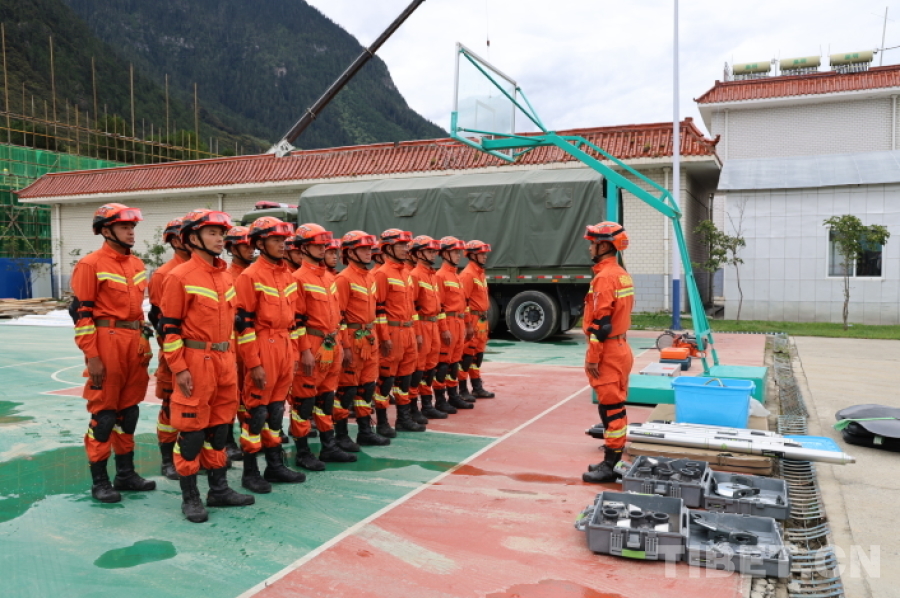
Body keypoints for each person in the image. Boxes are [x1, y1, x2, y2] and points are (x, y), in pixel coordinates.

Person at [159, 209, 255, 522]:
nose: (220, 239)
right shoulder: (179, 277)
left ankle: (219, 490)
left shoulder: (226, 276)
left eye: (221, 233)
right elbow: (169, 329)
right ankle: (190, 497)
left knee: (219, 429)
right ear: (193, 237)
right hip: (195, 362)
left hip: (224, 360)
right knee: (191, 434)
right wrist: (179, 368)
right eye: (212, 233)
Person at [70, 203, 156, 503]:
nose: (131, 232)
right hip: (106, 341)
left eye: (132, 227)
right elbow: (82, 315)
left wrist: (143, 335)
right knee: (104, 415)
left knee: (129, 412)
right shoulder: (90, 264)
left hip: (133, 341)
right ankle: (100, 481)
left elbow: (138, 309)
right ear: (106, 231)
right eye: (124, 227)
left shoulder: (137, 265)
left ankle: (126, 474)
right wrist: (92, 356)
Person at [234, 216, 306, 493]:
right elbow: (244, 325)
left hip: (284, 346)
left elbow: (294, 321)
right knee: (256, 412)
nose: (282, 244)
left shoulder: (287, 275)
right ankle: (250, 471)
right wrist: (254, 363)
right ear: (260, 243)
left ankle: (275, 465)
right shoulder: (250, 276)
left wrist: (295, 354)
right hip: (263, 346)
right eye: (275, 240)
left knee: (276, 411)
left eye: (283, 240)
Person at [289, 223, 358, 470]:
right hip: (312, 344)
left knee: (326, 399)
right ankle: (303, 451)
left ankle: (329, 446)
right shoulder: (297, 279)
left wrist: (344, 346)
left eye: (324, 245)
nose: (322, 249)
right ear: (303, 248)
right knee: (304, 401)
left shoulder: (329, 278)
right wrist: (304, 351)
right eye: (317, 245)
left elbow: (339, 317)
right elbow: (296, 321)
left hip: (332, 344)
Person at [580, 221, 634, 484]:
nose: (590, 248)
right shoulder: (621, 273)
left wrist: (593, 357)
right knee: (611, 407)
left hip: (608, 351)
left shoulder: (604, 278)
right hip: (619, 347)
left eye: (593, 243)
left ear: (604, 246)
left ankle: (611, 465)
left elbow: (601, 325)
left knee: (612, 410)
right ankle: (612, 459)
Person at [335, 231, 391, 447]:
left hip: (369, 337)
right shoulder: (343, 279)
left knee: (367, 387)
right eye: (363, 249)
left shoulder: (370, 277)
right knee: (347, 389)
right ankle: (341, 435)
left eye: (369, 249)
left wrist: (381, 337)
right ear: (350, 253)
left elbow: (377, 310)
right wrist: (345, 347)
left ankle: (365, 431)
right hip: (352, 338)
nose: (369, 253)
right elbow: (339, 317)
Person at [147, 218, 190, 481]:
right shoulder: (164, 274)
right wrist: (174, 355)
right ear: (175, 241)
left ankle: (191, 455)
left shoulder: (206, 271)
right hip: (175, 353)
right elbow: (158, 319)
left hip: (203, 355)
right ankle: (167, 459)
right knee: (170, 407)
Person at [373, 229, 426, 434]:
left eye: (406, 245)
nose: (406, 249)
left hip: (408, 331)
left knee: (405, 378)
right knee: (386, 379)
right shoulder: (381, 274)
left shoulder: (406, 274)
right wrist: (384, 337)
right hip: (392, 333)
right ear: (388, 248)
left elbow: (412, 308)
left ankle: (403, 419)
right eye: (401, 245)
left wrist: (417, 333)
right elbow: (378, 309)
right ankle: (382, 422)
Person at [408, 235, 450, 418]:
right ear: (418, 254)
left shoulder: (432, 276)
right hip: (422, 326)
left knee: (430, 368)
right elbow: (412, 308)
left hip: (433, 326)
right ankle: (412, 408)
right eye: (429, 251)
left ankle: (427, 404)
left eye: (434, 251)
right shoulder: (415, 275)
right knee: (418, 369)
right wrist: (417, 333)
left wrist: (443, 329)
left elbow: (439, 307)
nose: (434, 254)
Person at [223, 225, 255, 459]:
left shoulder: (256, 275)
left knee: (251, 393)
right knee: (230, 396)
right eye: (245, 246)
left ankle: (249, 433)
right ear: (233, 249)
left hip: (252, 343)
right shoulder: (227, 277)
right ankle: (227, 440)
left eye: (252, 246)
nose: (251, 250)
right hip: (232, 345)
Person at [433, 236, 474, 411]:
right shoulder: (440, 276)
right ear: (444, 254)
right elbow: (439, 306)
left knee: (454, 362)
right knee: (443, 363)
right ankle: (440, 399)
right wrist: (444, 329)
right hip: (448, 323)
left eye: (459, 252)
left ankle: (453, 395)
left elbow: (463, 303)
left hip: (458, 322)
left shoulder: (456, 276)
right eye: (454, 252)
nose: (458, 255)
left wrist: (467, 325)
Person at [459, 240, 496, 399]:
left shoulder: (480, 273)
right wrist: (468, 324)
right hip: (473, 319)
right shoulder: (468, 275)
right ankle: (462, 390)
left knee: (477, 355)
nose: (485, 256)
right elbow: (463, 301)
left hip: (481, 319)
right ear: (472, 255)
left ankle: (476, 386)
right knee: (467, 355)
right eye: (481, 254)